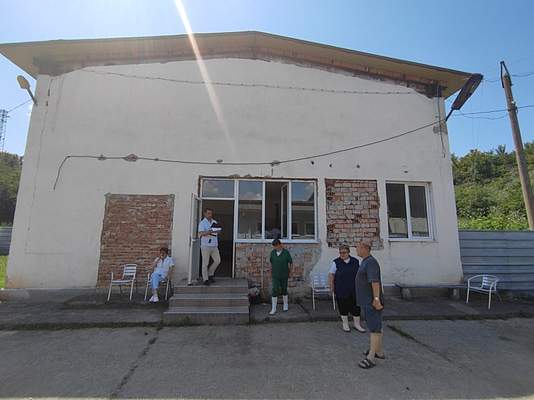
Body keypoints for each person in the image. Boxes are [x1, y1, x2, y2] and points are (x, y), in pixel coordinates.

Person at [355, 240, 385, 369]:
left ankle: (371, 357)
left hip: (371, 301)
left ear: (364, 248)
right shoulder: (365, 261)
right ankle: (378, 351)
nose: (356, 250)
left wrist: (376, 299)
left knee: (374, 328)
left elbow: (375, 282)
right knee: (375, 325)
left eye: (358, 247)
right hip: (367, 301)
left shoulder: (371, 262)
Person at [328, 245, 366, 333]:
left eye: (344, 252)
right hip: (341, 288)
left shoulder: (355, 261)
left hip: (354, 288)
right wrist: (331, 286)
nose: (342, 254)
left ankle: (357, 324)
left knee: (356, 307)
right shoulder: (336, 262)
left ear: (348, 252)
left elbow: (360, 274)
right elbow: (331, 274)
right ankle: (345, 324)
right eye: (340, 253)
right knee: (343, 306)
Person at [268, 239, 293, 315]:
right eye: (274, 246)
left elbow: (290, 262)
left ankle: (285, 304)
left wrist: (290, 272)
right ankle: (274, 308)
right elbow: (271, 263)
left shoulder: (286, 253)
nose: (275, 248)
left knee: (284, 289)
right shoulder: (272, 253)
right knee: (275, 289)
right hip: (275, 275)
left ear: (280, 245)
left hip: (284, 274)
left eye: (276, 246)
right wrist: (270, 272)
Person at [198, 208, 221, 285]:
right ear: (204, 214)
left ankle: (210, 273)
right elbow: (201, 233)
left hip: (214, 245)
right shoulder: (202, 223)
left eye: (211, 213)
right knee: (205, 263)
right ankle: (205, 279)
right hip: (205, 245)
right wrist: (210, 231)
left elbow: (218, 231)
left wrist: (218, 231)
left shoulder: (214, 222)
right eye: (208, 213)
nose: (210, 215)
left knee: (217, 260)